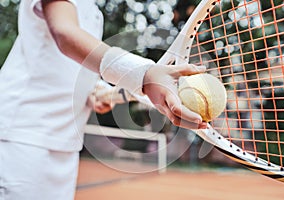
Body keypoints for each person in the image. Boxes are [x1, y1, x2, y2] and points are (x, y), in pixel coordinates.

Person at [0, 0, 207, 199]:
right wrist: (142, 74)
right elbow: (64, 32)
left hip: (65, 146)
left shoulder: (94, 13)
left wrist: (96, 91)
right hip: (23, 138)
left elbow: (71, 70)